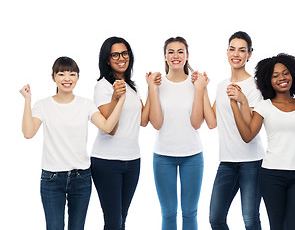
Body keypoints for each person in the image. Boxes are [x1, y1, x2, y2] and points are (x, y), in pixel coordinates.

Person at [19, 56, 125, 230]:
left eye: (72, 74)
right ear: (53, 77)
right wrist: (27, 100)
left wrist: (120, 100)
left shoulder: (86, 105)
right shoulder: (42, 105)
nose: (67, 79)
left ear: (77, 77)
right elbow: (28, 133)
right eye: (61, 74)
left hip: (81, 177)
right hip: (52, 178)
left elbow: (107, 126)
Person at [228, 53, 295, 230]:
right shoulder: (263, 106)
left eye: (285, 73)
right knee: (277, 227)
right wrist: (235, 106)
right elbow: (248, 136)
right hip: (271, 175)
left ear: (293, 74)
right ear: (268, 80)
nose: (282, 78)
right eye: (275, 76)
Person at [197, 31, 265, 230]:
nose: (236, 54)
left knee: (250, 219)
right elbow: (211, 121)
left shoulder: (255, 87)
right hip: (227, 162)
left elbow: (250, 127)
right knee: (216, 219)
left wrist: (241, 99)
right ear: (227, 52)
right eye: (233, 49)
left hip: (252, 163)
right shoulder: (221, 86)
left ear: (249, 55)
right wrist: (202, 89)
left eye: (242, 50)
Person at [91, 36, 159, 230]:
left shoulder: (131, 85)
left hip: (132, 160)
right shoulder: (103, 86)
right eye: (115, 54)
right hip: (106, 161)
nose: (121, 58)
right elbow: (109, 127)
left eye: (125, 53)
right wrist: (115, 97)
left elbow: (143, 121)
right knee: (113, 222)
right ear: (107, 59)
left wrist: (151, 88)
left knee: (122, 219)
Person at [147, 36, 208, 230]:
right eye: (171, 52)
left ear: (187, 56)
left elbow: (197, 123)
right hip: (163, 157)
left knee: (190, 213)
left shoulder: (197, 84)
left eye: (180, 51)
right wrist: (152, 89)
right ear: (164, 56)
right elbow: (156, 123)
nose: (176, 56)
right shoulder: (157, 84)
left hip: (192, 156)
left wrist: (200, 89)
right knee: (169, 213)